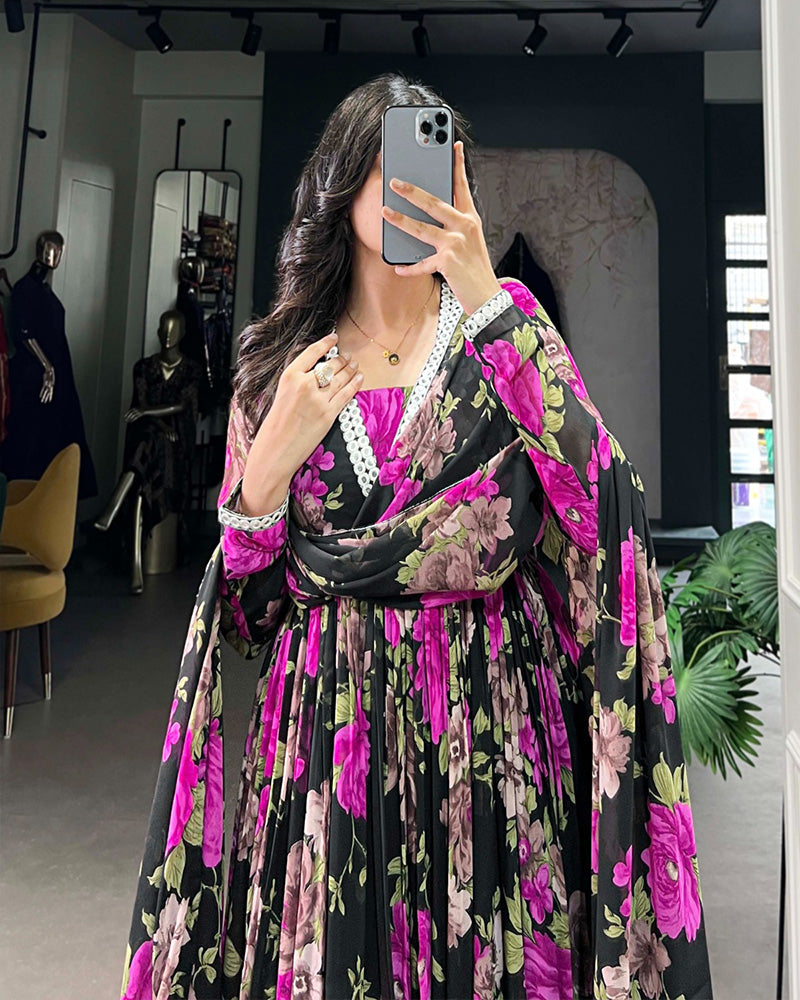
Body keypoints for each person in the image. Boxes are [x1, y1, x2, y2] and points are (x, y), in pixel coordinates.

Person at [120, 73, 714, 1000]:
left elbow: (604, 504)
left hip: (491, 742)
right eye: (387, 163)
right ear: (339, 182)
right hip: (325, 753)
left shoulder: (505, 331)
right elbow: (247, 617)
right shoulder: (279, 367)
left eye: (434, 162)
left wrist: (484, 297)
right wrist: (266, 469)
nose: (411, 186)